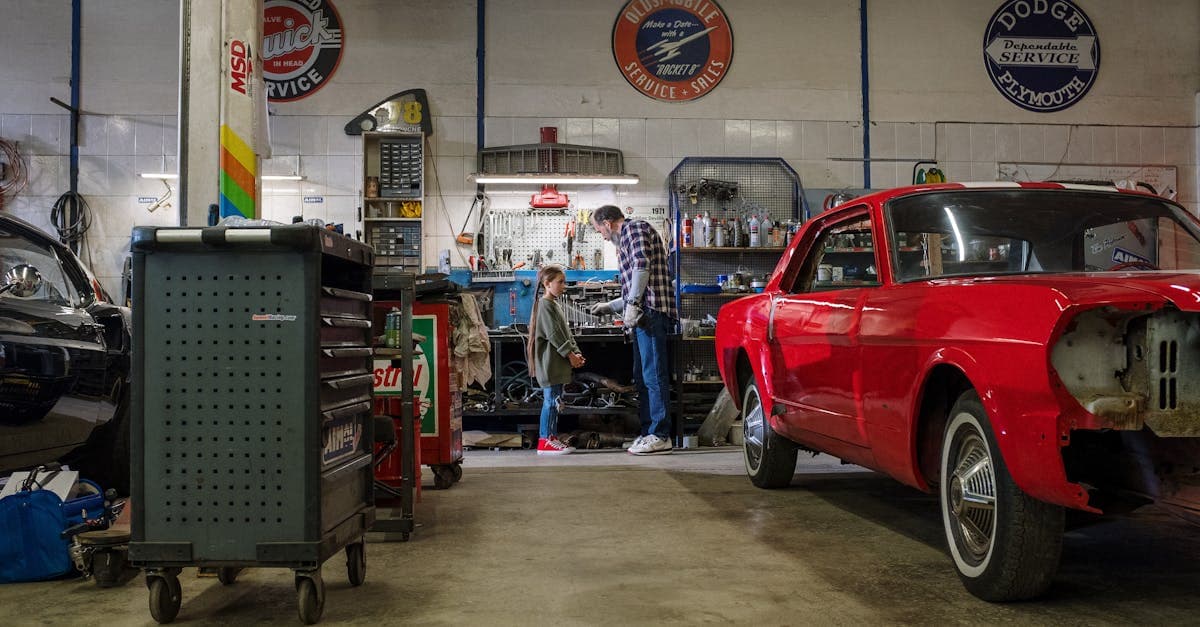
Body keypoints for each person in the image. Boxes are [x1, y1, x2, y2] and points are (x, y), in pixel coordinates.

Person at [588, 205, 677, 455]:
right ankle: (649, 432)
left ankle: (660, 434)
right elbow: (632, 289)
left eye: (599, 230)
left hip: (650, 312)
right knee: (641, 377)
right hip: (641, 314)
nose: (602, 236)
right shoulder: (625, 242)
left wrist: (634, 305)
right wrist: (611, 306)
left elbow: (641, 267)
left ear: (607, 222)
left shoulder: (634, 229)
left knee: (653, 375)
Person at [527, 264, 586, 456]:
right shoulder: (545, 305)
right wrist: (570, 355)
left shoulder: (554, 305)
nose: (564, 286)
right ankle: (544, 441)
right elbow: (554, 335)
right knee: (550, 402)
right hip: (550, 364)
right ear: (547, 283)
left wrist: (575, 353)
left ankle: (551, 438)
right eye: (560, 282)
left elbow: (566, 333)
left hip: (557, 364)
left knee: (555, 401)